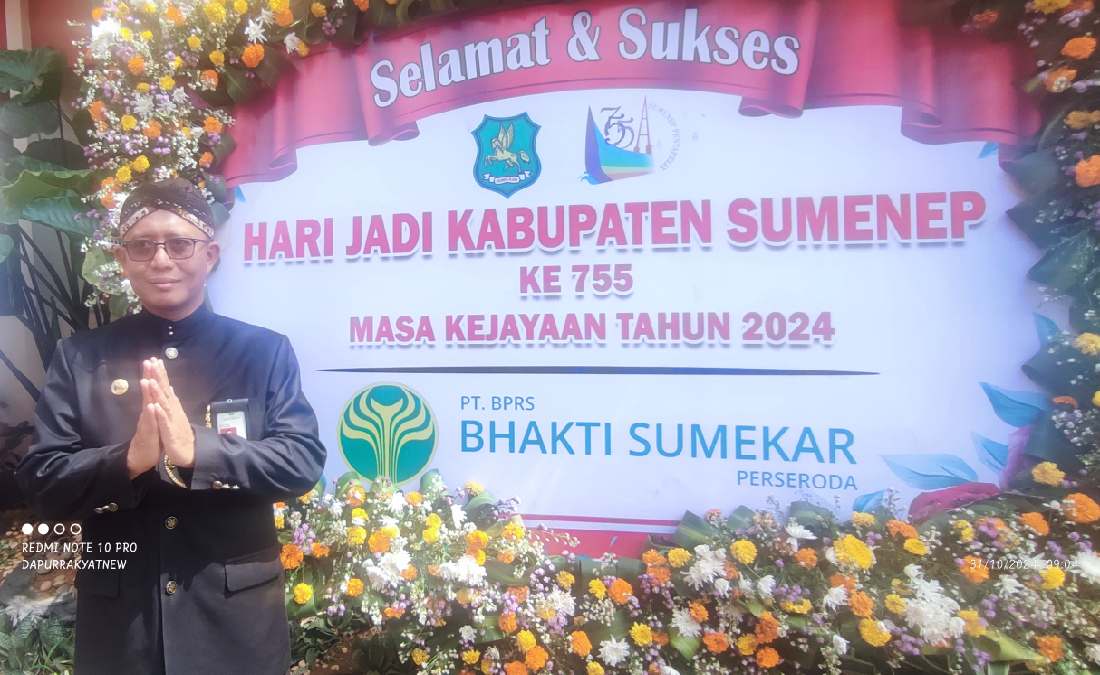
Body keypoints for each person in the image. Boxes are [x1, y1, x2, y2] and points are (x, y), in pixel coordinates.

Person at [16, 178, 327, 674]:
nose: (161, 260)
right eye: (142, 246)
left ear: (210, 255)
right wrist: (126, 461)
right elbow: (42, 483)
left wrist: (200, 452)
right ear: (122, 260)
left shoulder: (261, 352)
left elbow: (302, 462)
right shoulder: (81, 358)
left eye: (180, 244)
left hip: (233, 624)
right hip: (123, 626)